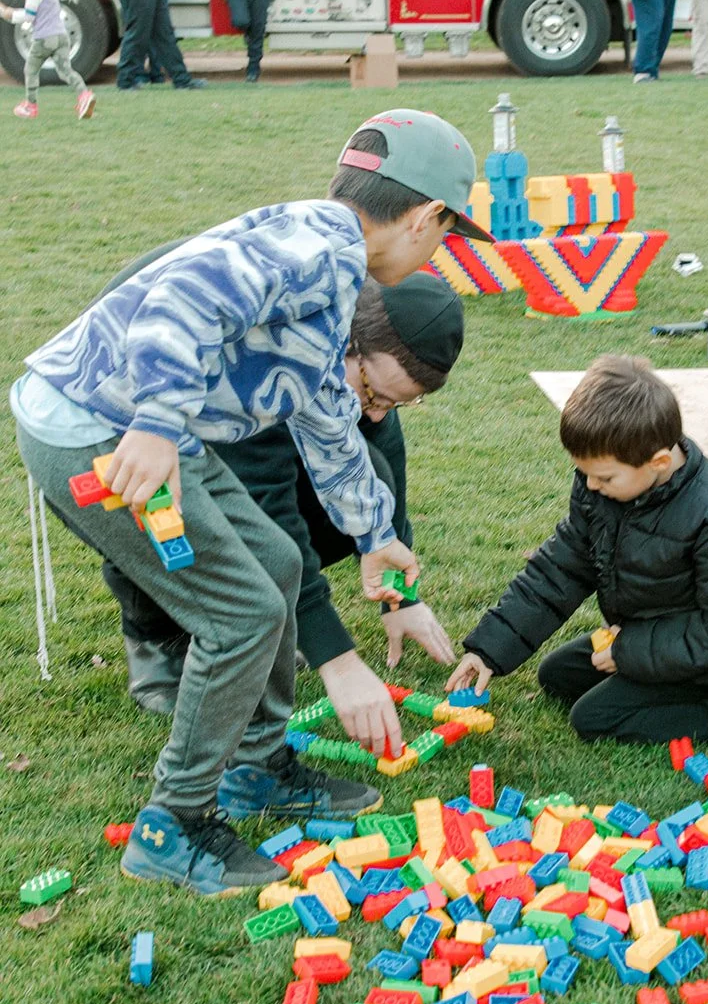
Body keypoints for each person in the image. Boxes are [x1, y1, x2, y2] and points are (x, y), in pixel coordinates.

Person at [10, 108, 490, 895]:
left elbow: (326, 417)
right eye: (446, 234)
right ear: (423, 216)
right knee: (242, 614)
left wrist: (375, 534)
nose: (439, 250)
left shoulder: (328, 259)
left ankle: (258, 768)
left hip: (129, 424)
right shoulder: (321, 251)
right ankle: (174, 823)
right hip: (96, 427)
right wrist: (159, 424)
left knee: (270, 564)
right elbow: (183, 297)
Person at [101, 271, 463, 714]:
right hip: (130, 453)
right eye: (372, 394)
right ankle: (158, 639)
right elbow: (271, 513)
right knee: (173, 518)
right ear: (348, 343)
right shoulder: (273, 359)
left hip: (238, 452)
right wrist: (336, 658)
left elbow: (384, 471)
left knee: (373, 478)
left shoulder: (364, 370)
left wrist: (399, 596)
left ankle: (250, 617)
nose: (376, 413)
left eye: (395, 403)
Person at [446, 355, 708, 744]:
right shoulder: (607, 490)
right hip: (652, 632)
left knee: (594, 718)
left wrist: (627, 651)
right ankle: (645, 683)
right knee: (557, 675)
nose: (590, 485)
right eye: (585, 473)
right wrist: (490, 649)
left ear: (658, 462)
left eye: (603, 476)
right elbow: (560, 570)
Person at [0, 0, 95, 121]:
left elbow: (29, 17)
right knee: (65, 70)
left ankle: (30, 105)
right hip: (61, 36)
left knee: (30, 70)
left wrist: (7, 13)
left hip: (44, 39)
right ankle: (84, 95)